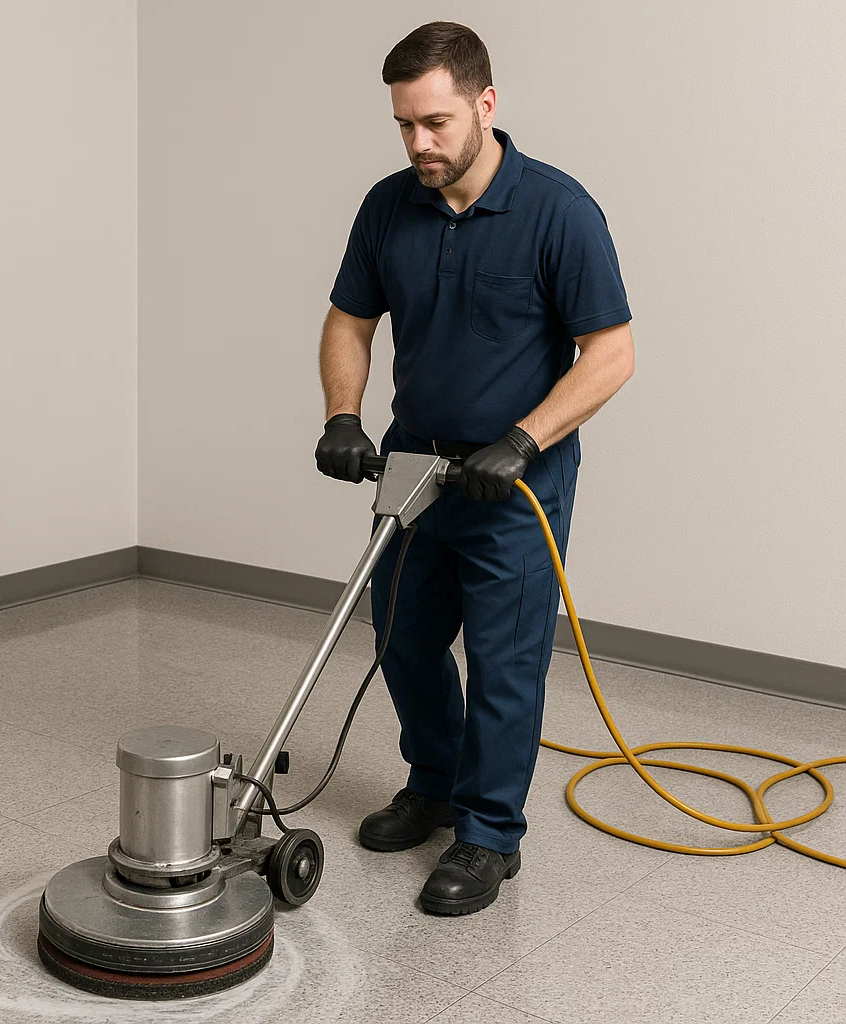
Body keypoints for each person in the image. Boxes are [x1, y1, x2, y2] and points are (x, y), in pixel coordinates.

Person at [314, 21, 635, 916]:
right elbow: (349, 322)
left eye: (438, 123)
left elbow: (609, 352)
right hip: (414, 466)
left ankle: (490, 836)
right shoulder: (388, 206)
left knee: (504, 661)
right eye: (405, 125)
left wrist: (526, 440)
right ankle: (435, 782)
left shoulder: (558, 211)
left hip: (514, 482)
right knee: (405, 639)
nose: (420, 143)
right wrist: (343, 414)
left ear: (486, 105)